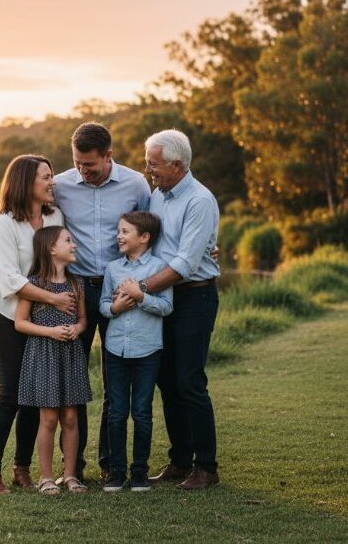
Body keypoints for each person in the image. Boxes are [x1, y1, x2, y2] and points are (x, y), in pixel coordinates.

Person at [52, 122, 151, 481]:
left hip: (119, 290)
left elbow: (152, 231)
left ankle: (112, 464)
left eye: (89, 164)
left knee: (116, 378)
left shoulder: (136, 185)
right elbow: (28, 213)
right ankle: (72, 468)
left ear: (108, 155)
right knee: (72, 380)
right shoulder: (60, 185)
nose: (82, 170)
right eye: (77, 163)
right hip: (74, 290)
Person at [132, 129, 221, 490]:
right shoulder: (157, 195)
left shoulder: (200, 200)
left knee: (189, 382)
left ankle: (207, 468)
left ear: (177, 164)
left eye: (154, 164)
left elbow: (184, 262)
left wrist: (138, 289)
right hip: (166, 299)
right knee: (167, 382)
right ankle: (180, 461)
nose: (148, 169)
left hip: (194, 298)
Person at [0, 154, 72, 495]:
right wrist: (53, 299)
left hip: (40, 317)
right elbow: (11, 278)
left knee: (34, 395)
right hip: (5, 314)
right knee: (11, 396)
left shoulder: (54, 215)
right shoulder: (3, 224)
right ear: (25, 183)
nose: (52, 182)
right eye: (45, 177)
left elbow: (58, 258)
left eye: (51, 176)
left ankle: (22, 468)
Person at [98, 211, 172, 492]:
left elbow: (167, 307)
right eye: (119, 231)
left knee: (141, 412)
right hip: (116, 349)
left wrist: (141, 297)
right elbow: (104, 305)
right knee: (117, 412)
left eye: (125, 231)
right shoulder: (113, 269)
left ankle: (139, 472)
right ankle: (116, 472)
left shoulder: (159, 268)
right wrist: (114, 308)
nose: (119, 236)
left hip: (147, 350)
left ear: (144, 237)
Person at [15, 226, 90, 495]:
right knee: (48, 418)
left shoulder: (76, 283)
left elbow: (83, 320)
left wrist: (78, 330)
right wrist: (51, 332)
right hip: (43, 354)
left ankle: (70, 476)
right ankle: (45, 477)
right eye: (68, 240)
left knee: (70, 417)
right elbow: (20, 323)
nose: (74, 245)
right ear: (51, 248)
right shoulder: (33, 284)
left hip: (70, 354)